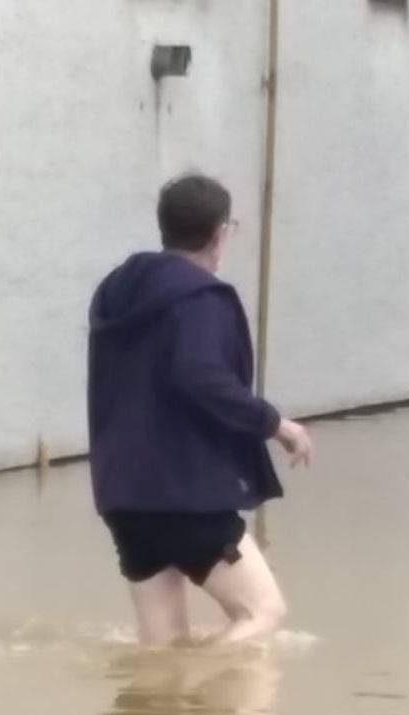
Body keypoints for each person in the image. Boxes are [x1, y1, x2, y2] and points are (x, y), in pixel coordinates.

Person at [87, 173, 312, 646]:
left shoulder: (116, 292)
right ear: (220, 232)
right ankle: (207, 687)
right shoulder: (199, 300)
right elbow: (202, 377)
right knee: (264, 613)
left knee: (162, 645)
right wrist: (277, 425)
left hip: (125, 498)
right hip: (184, 497)